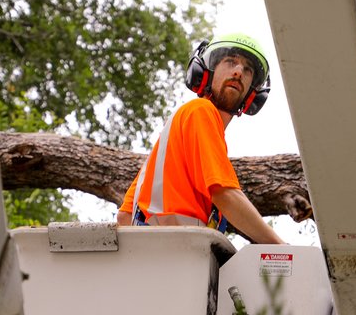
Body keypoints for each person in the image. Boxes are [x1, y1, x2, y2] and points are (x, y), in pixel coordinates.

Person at [117, 32, 285, 245]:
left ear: (253, 93)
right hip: (178, 254)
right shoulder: (200, 110)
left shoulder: (172, 141)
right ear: (206, 72)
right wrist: (281, 246)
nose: (238, 71)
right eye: (230, 61)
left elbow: (125, 216)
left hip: (160, 256)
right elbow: (225, 194)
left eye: (248, 69)